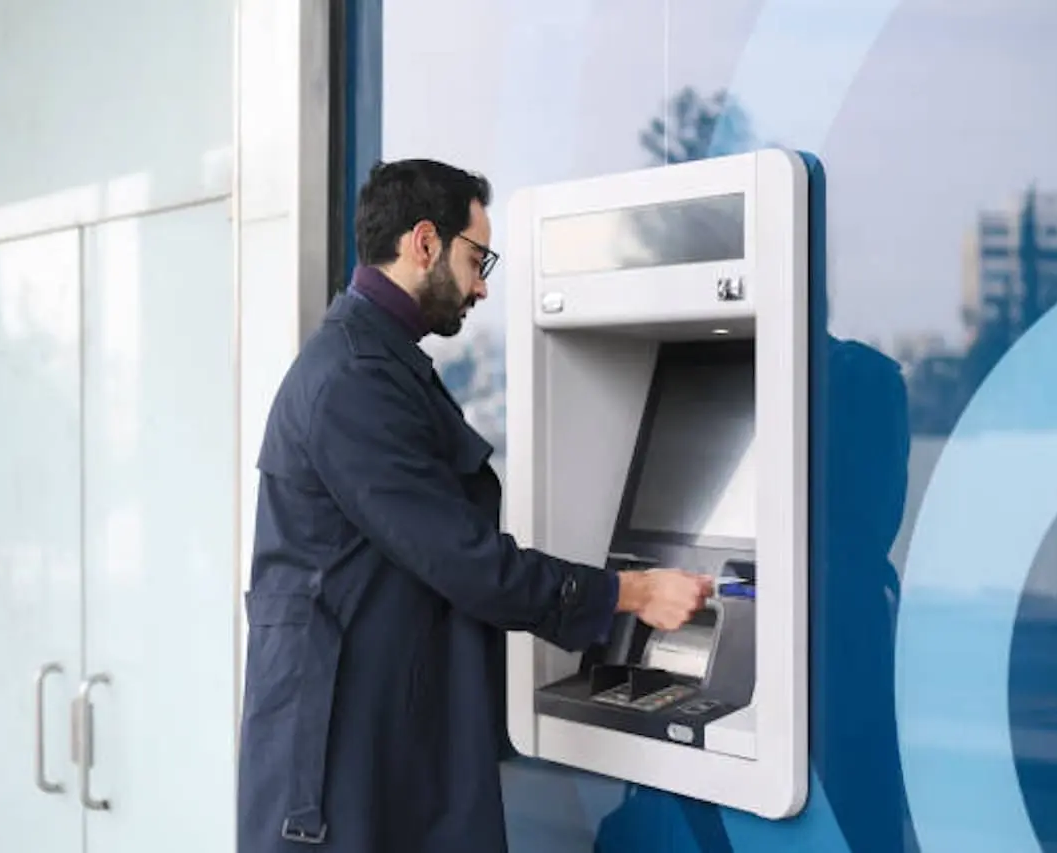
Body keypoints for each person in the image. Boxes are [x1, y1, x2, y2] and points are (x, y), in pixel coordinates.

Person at [236, 158, 714, 853]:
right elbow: (465, 559)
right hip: (342, 774)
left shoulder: (373, 361)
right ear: (423, 243)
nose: (483, 285)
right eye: (477, 257)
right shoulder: (354, 379)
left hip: (377, 745)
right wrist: (632, 592)